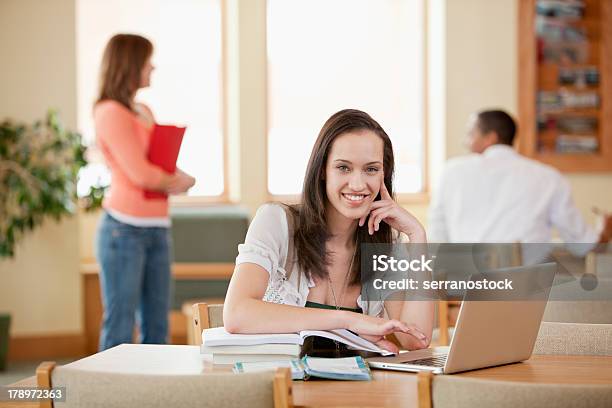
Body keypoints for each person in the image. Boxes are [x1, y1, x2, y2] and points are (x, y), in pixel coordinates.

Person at [224, 109, 434, 353]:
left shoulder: (387, 245)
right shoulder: (276, 221)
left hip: (360, 388)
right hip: (282, 384)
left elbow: (416, 340)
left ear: (383, 176)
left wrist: (418, 237)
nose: (357, 184)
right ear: (322, 170)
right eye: (343, 168)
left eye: (371, 169)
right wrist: (349, 320)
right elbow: (237, 314)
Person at [94, 34, 196, 351]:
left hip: (157, 228)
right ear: (130, 63)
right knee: (120, 326)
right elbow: (141, 174)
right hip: (123, 231)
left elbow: (156, 166)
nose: (152, 66)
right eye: (146, 60)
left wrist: (177, 177)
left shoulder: (144, 110)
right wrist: (179, 180)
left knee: (157, 326)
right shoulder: (109, 111)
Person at [428, 109, 611, 248]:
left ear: (490, 138)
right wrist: (604, 232)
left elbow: (437, 236)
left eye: (470, 134)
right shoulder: (549, 177)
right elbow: (582, 243)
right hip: (524, 291)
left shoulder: (450, 172)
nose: (465, 142)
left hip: (462, 291)